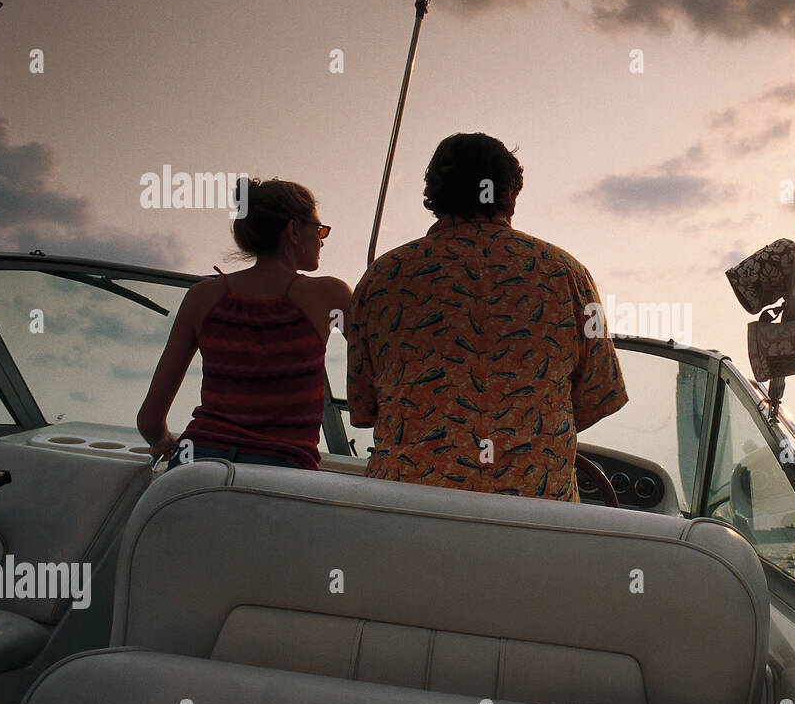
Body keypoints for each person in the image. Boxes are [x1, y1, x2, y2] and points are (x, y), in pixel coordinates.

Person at [346, 132, 627, 501]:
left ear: (434, 196)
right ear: (510, 197)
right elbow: (597, 394)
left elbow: (364, 406)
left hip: (407, 509)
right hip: (536, 514)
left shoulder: (381, 279)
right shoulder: (568, 275)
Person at [138, 178, 352, 470]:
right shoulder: (330, 294)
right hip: (281, 470)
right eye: (318, 229)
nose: (322, 238)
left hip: (197, 465)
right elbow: (380, 365)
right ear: (292, 230)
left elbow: (149, 420)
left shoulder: (202, 296)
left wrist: (163, 442)